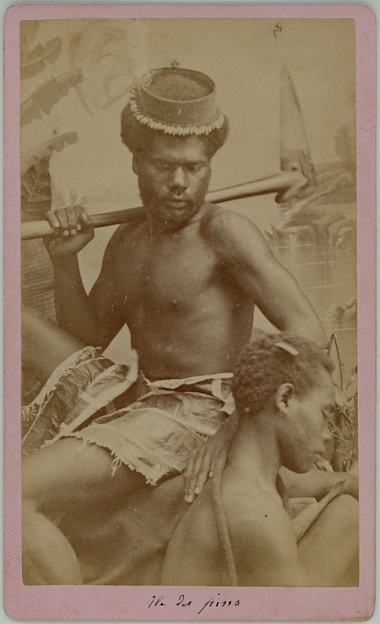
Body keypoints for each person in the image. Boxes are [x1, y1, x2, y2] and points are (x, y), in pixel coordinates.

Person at [22, 67, 327, 585]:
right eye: (165, 166)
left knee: (13, 494)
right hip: (140, 397)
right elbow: (91, 339)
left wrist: (238, 421)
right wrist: (66, 262)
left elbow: (308, 333)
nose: (181, 183)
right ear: (137, 162)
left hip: (201, 411)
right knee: (19, 322)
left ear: (210, 165)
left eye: (195, 167)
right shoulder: (126, 242)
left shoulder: (225, 232)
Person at [161, 331, 359, 587]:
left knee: (348, 511)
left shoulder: (248, 474)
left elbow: (336, 482)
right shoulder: (255, 516)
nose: (326, 435)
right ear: (285, 399)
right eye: (324, 414)